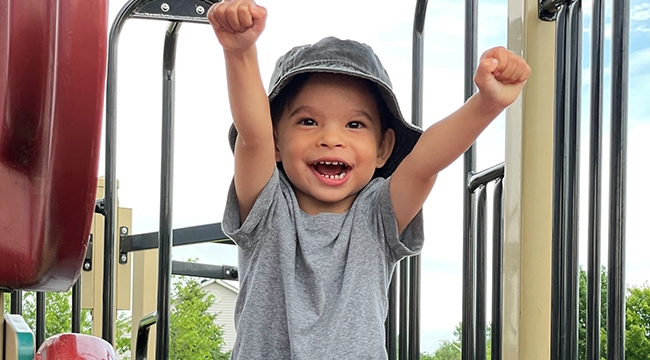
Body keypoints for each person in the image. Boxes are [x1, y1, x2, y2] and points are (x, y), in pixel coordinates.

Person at [207, 1, 531, 359]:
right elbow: (252, 137)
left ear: (383, 148)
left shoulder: (376, 216)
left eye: (355, 124)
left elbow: (423, 164)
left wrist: (486, 104)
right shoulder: (267, 208)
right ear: (277, 142)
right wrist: (240, 53)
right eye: (308, 122)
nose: (332, 138)